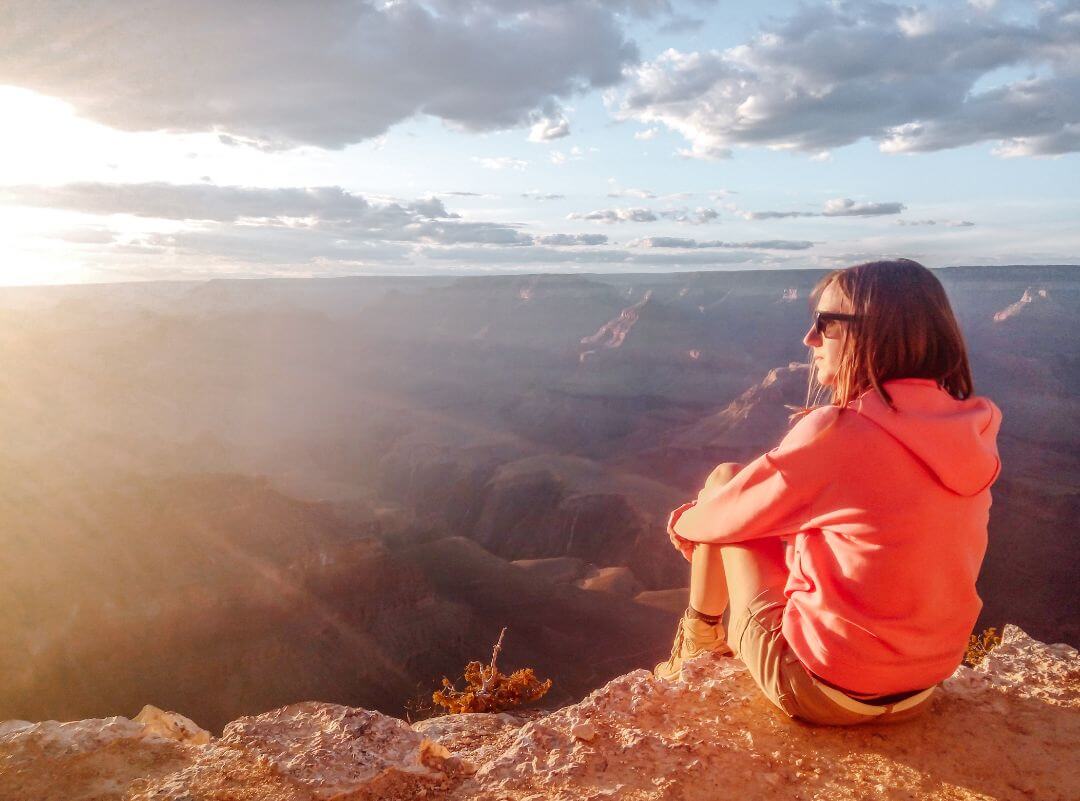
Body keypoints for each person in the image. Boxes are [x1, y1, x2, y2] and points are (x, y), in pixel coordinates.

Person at [653, 259, 1002, 726]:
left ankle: (696, 645)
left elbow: (729, 515)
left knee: (724, 481)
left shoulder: (840, 431)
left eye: (825, 324)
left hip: (821, 691)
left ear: (875, 332)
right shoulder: (971, 425)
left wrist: (683, 523)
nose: (809, 339)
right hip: (922, 687)